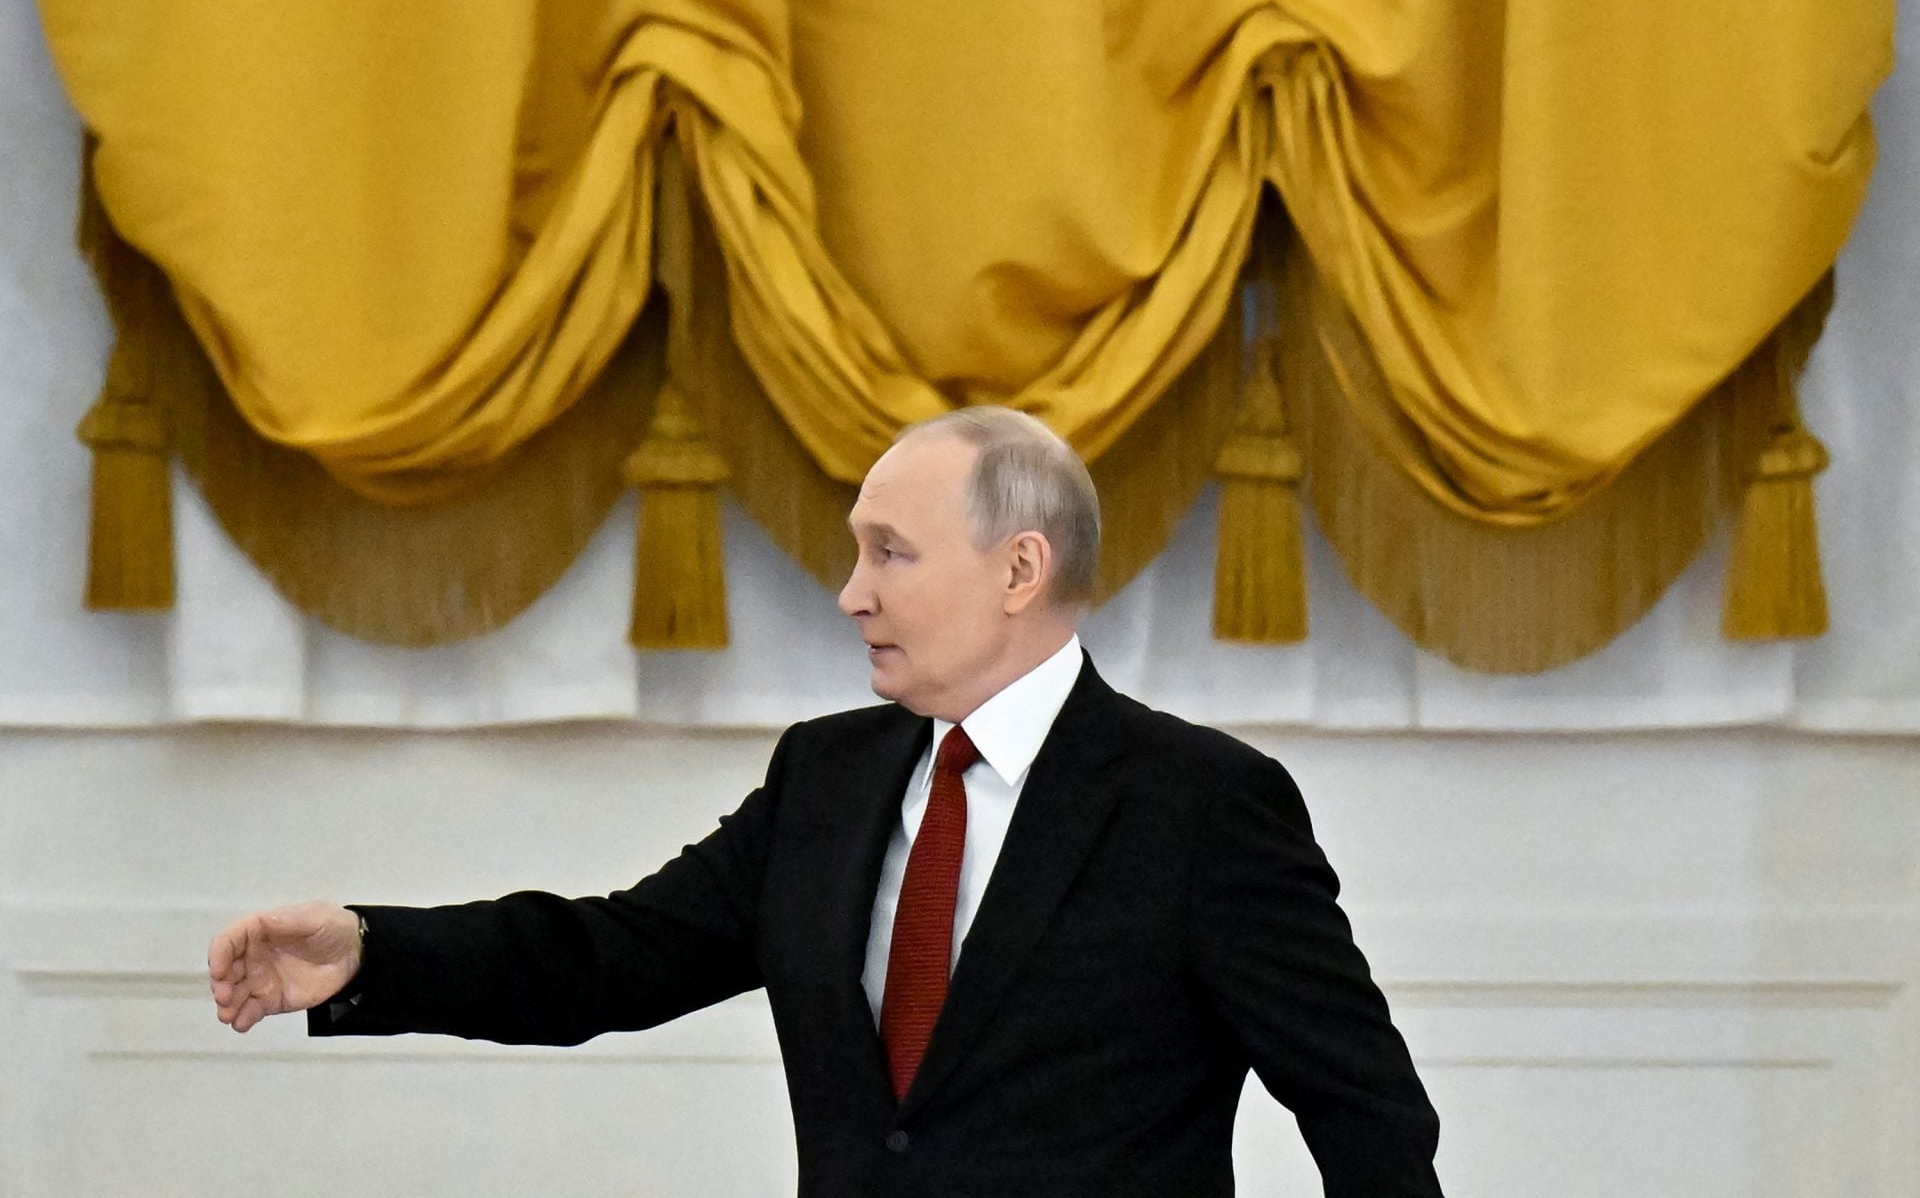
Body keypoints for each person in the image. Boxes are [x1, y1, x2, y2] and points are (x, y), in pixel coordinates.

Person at [209, 407, 1444, 1197]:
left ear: (1020, 568)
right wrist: (371, 950)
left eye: (890, 551)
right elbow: (609, 955)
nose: (852, 591)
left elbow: (1366, 1108)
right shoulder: (826, 777)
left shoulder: (1204, 805)